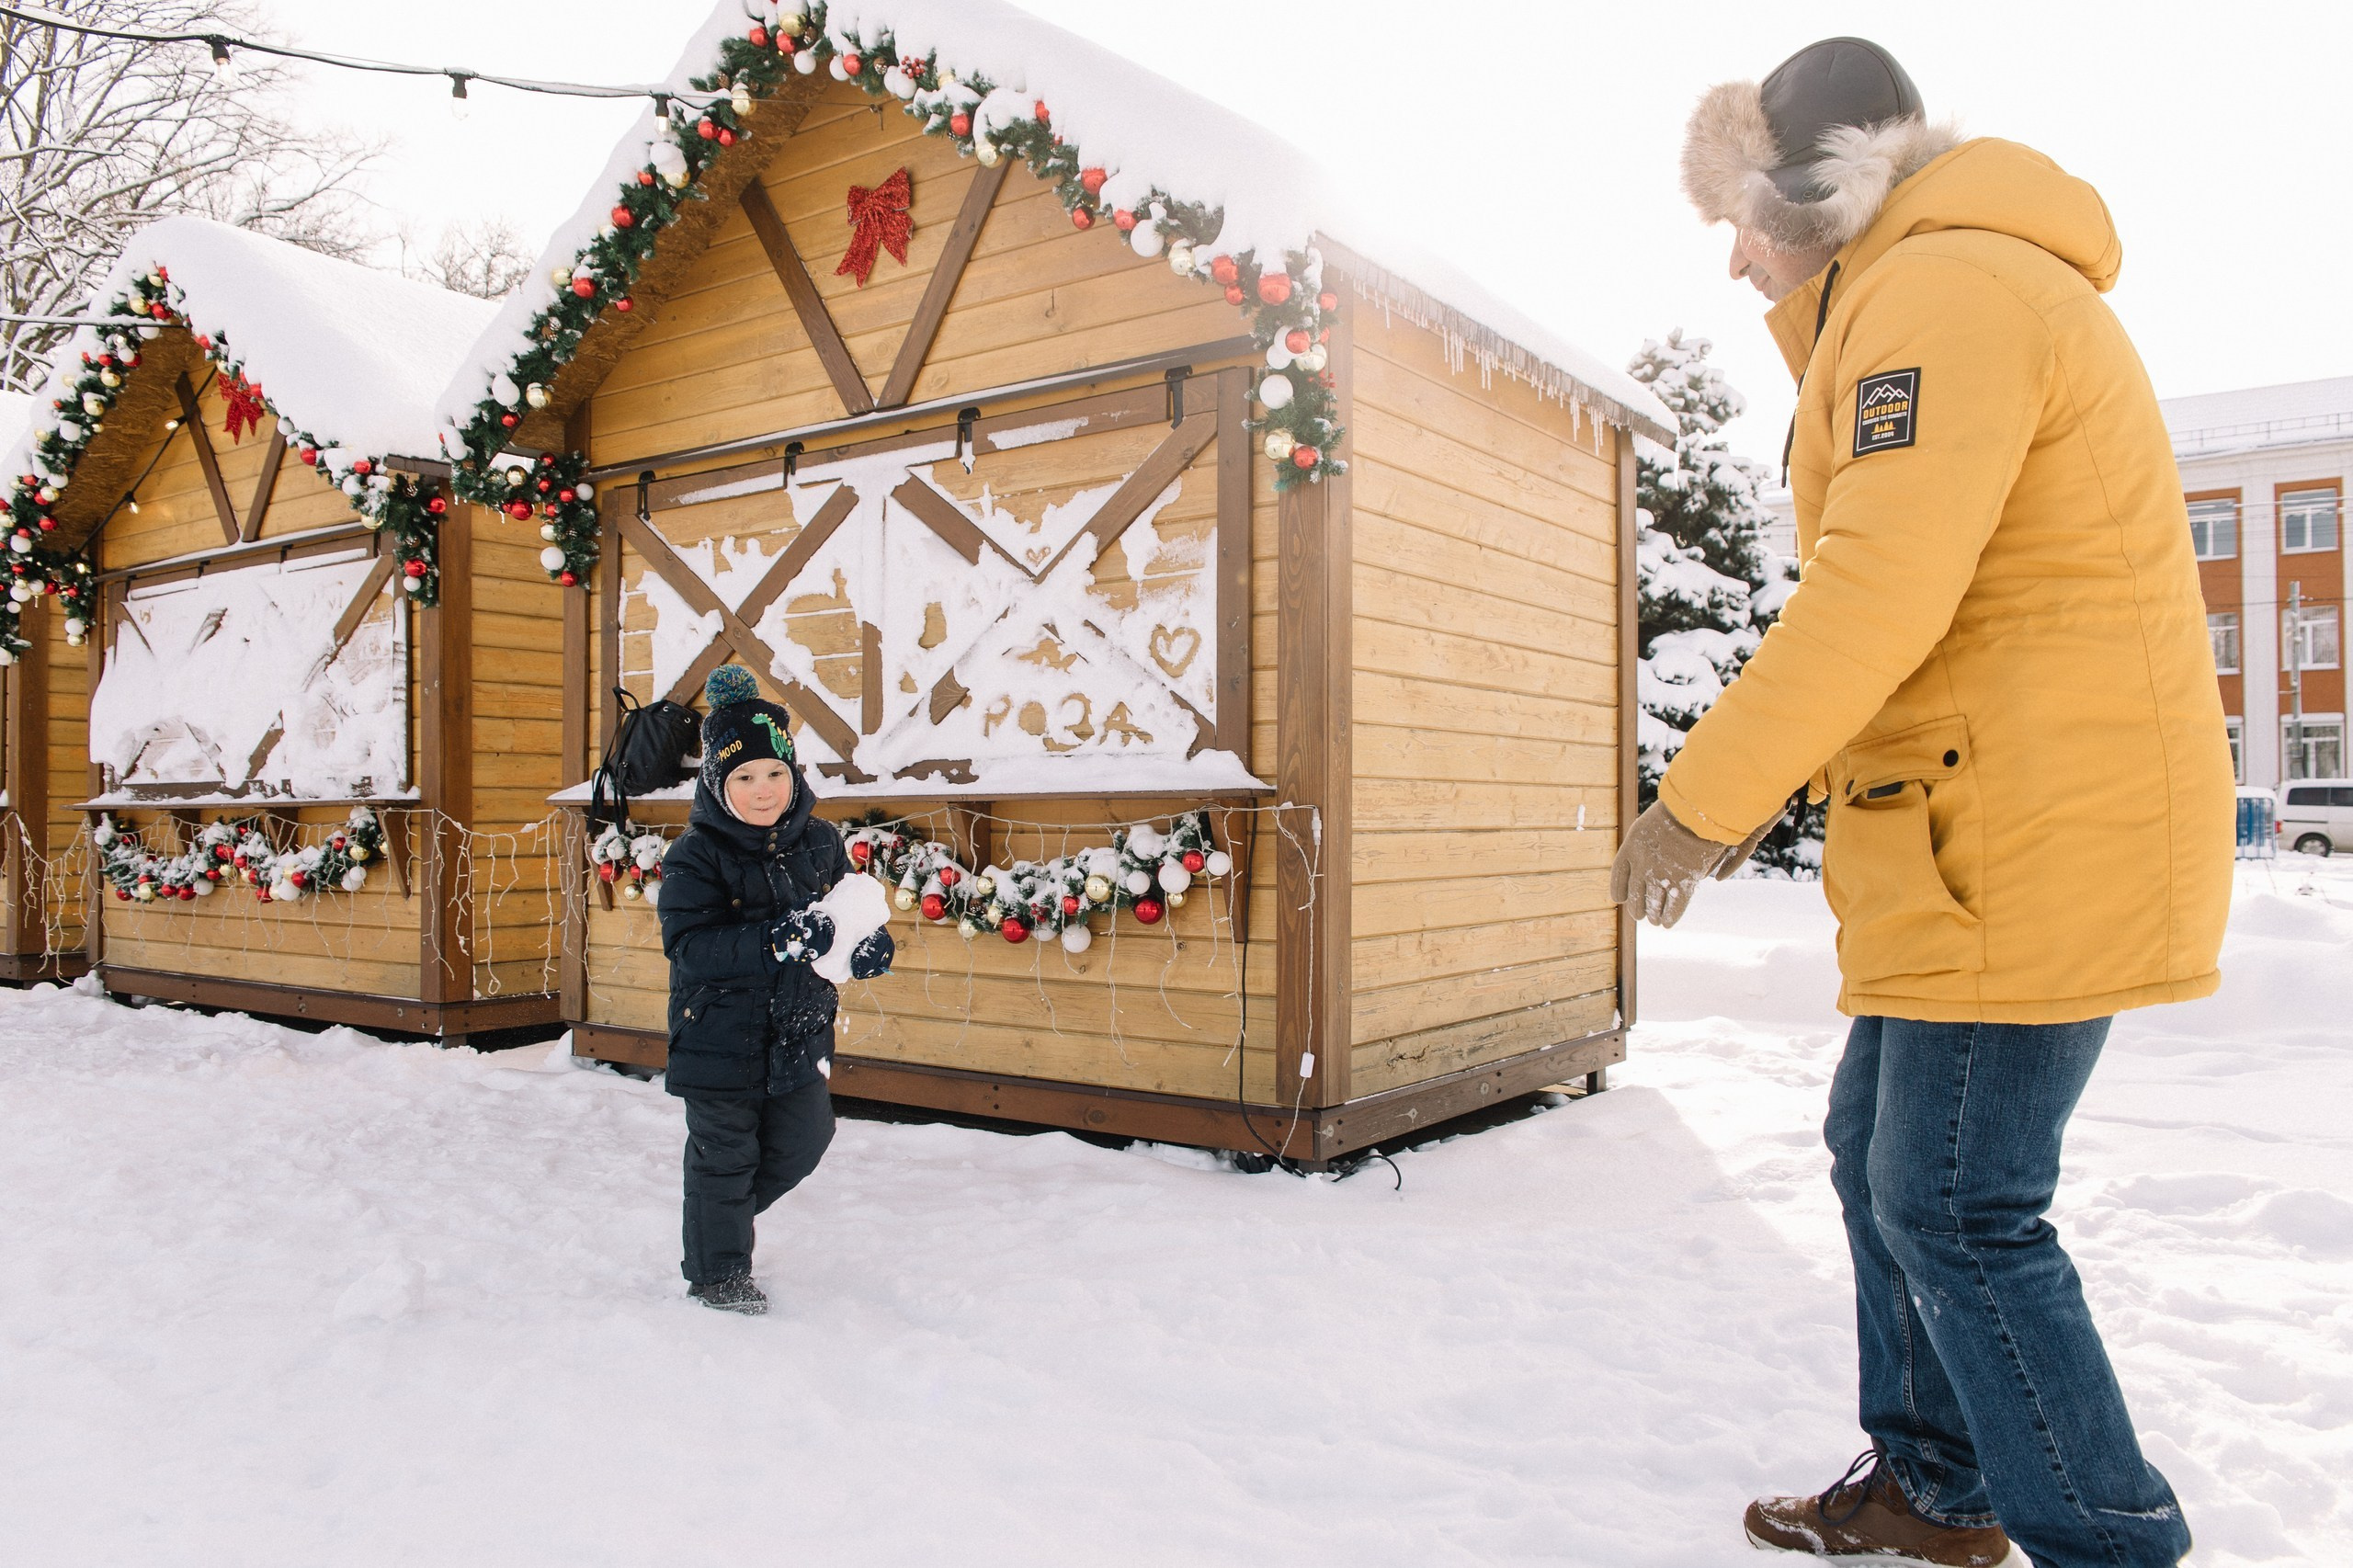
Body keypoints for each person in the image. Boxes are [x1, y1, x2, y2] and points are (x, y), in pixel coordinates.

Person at [1611, 36, 2231, 1568]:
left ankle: (2109, 1540)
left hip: (2028, 823)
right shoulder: (1916, 293)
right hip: (1975, 821)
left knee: (1959, 1204)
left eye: (1739, 221)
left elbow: (1878, 592)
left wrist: (1702, 800)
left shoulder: (1943, 296)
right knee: (1875, 1146)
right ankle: (1938, 1486)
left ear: (1809, 195)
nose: (1735, 259)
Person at [657, 664, 893, 1314]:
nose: (762, 790)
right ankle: (718, 1270)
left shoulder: (820, 842)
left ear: (793, 774)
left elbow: (848, 918)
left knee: (803, 1143)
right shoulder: (695, 856)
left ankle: (714, 1216)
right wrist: (776, 940)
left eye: (774, 773)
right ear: (716, 782)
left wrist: (869, 948)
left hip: (798, 1031)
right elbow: (690, 947)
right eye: (743, 777)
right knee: (726, 1159)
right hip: (718, 1040)